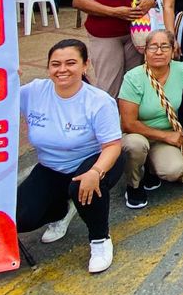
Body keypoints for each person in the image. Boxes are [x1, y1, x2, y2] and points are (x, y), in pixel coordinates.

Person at [16, 39, 123, 274]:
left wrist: (96, 171)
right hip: (51, 167)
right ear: (48, 68)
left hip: (95, 161)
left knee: (83, 187)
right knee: (20, 218)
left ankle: (100, 239)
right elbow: (0, 99)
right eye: (55, 64)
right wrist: (6, 77)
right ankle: (62, 210)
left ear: (85, 66)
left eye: (71, 63)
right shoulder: (34, 91)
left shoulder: (98, 101)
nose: (62, 69)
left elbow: (113, 145)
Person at [117, 30, 183, 209]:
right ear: (145, 51)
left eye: (165, 46)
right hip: (138, 133)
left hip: (165, 135)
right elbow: (127, 123)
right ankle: (133, 184)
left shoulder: (182, 69)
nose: (159, 52)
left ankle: (151, 168)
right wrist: (166, 136)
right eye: (153, 47)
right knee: (136, 145)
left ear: (174, 49)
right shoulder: (133, 77)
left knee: (175, 170)